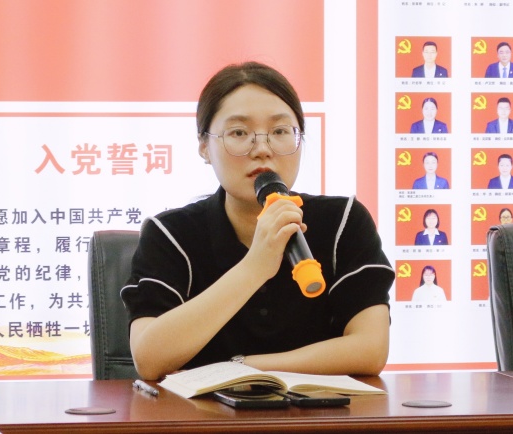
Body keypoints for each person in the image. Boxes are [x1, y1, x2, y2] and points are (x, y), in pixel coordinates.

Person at [121, 61, 395, 381]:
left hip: (320, 408)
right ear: (204, 147)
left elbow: (370, 349)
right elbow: (149, 359)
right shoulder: (170, 234)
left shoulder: (343, 222)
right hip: (202, 411)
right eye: (239, 133)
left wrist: (244, 367)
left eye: (280, 132)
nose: (263, 149)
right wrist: (256, 266)